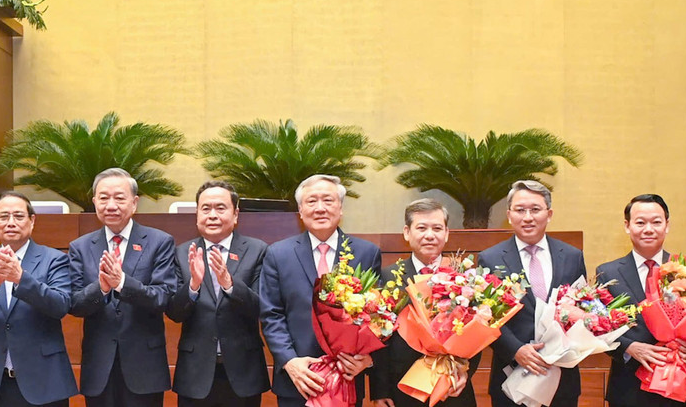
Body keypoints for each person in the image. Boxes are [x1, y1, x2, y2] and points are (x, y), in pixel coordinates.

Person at [259, 174, 381, 407]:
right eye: (311, 201)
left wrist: (366, 359)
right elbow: (271, 314)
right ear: (300, 210)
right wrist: (290, 361)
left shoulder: (367, 253)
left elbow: (376, 315)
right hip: (297, 380)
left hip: (347, 376)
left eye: (328, 200)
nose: (320, 208)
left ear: (341, 208)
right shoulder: (278, 254)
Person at [0, 192, 78, 407]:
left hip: (44, 380)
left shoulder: (54, 259)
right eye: (4, 216)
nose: (11, 223)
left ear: (32, 220)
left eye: (18, 216)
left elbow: (61, 305)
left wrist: (21, 279)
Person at [68, 168, 178, 407]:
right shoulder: (80, 247)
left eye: (119, 197)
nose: (111, 204)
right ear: (95, 201)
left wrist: (123, 284)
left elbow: (163, 297)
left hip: (144, 366)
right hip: (99, 367)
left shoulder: (160, 242)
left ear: (134, 202)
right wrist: (103, 288)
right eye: (103, 197)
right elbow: (75, 304)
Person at [595, 194, 686, 407]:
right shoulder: (607, 273)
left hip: (678, 387)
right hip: (629, 387)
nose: (648, 229)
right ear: (627, 226)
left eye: (656, 222)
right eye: (640, 222)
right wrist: (629, 347)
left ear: (667, 225)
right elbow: (599, 327)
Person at [479, 181, 586, 407]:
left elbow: (582, 307)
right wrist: (515, 350)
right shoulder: (490, 258)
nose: (528, 217)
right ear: (509, 215)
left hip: (561, 377)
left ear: (549, 214)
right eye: (520, 210)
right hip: (511, 375)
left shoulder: (572, 256)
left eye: (535, 210)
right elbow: (486, 317)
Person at [166, 181, 269, 407]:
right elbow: (174, 312)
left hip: (243, 372)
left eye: (220, 208)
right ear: (197, 214)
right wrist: (193, 284)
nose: (212, 215)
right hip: (195, 372)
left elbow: (261, 307)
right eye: (205, 208)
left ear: (235, 214)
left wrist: (229, 283)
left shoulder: (257, 250)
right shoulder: (182, 252)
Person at [370, 198, 479, 407]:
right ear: (407, 232)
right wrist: (379, 390)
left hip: (454, 389)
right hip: (402, 389)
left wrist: (466, 372)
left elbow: (479, 333)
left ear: (446, 233)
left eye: (437, 228)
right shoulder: (388, 277)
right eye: (421, 228)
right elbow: (379, 340)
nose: (429, 235)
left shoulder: (466, 276)